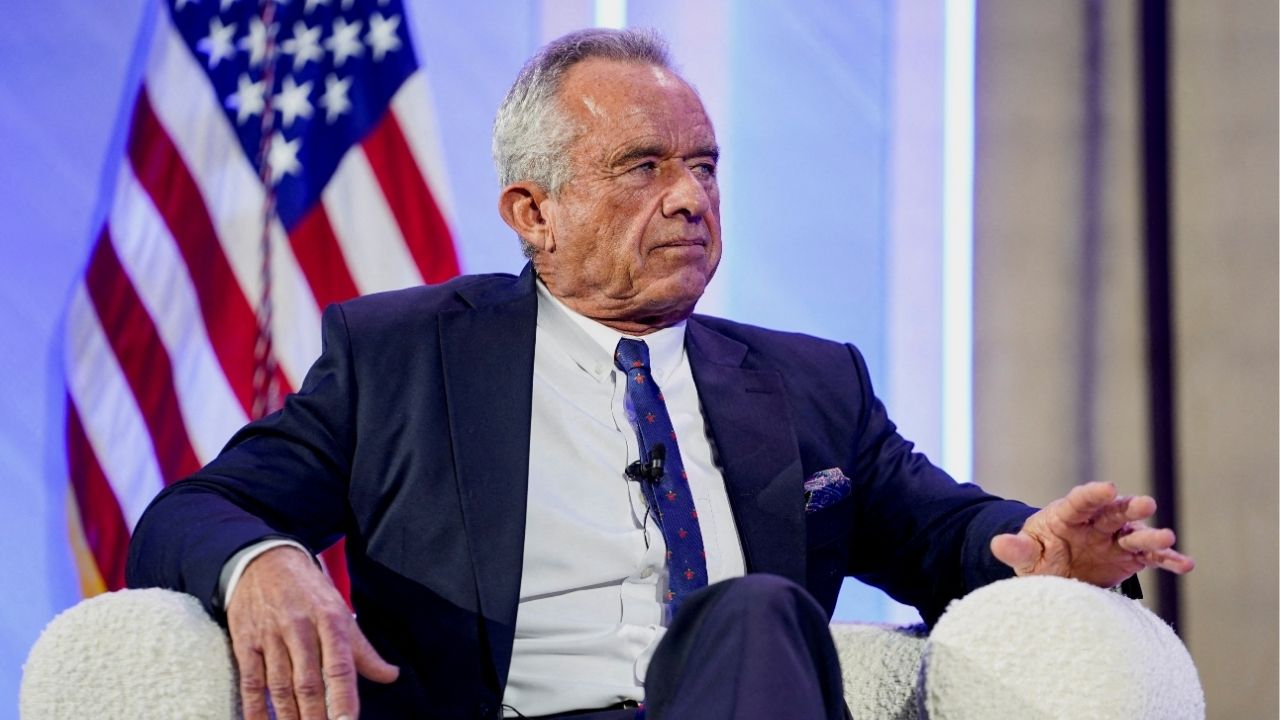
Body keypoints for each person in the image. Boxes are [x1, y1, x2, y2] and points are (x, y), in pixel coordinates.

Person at [126, 28, 1193, 720]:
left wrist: (1037, 549)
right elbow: (193, 510)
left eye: (703, 166)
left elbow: (942, 531)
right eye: (642, 167)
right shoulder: (402, 357)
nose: (688, 197)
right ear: (532, 213)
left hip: (742, 691)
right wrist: (261, 560)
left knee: (757, 610)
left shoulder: (810, 384)